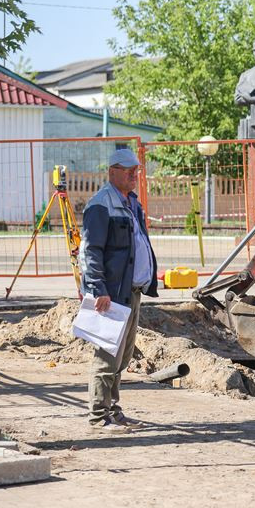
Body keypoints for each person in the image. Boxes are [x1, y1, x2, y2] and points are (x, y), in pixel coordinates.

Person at [79, 148, 158, 433]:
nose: (134, 174)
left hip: (130, 292)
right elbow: (91, 251)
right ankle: (99, 416)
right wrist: (99, 288)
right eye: (128, 170)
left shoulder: (131, 202)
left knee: (122, 356)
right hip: (109, 295)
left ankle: (113, 410)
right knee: (107, 356)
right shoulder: (102, 204)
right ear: (112, 172)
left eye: (135, 169)